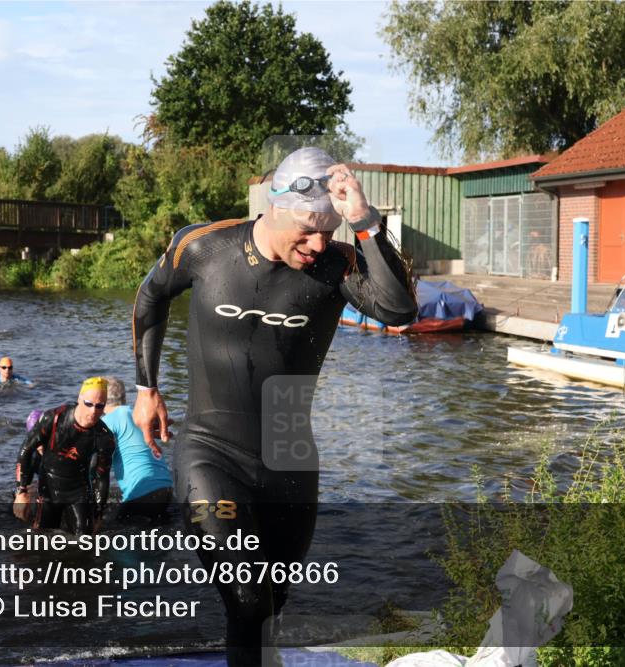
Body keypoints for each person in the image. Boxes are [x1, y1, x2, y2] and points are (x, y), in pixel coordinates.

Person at [131, 146, 417, 665]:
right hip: (209, 452)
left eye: (328, 232)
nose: (316, 244)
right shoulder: (204, 246)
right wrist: (146, 389)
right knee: (246, 597)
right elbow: (151, 297)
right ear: (274, 204)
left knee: (273, 602)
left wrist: (366, 222)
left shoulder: (336, 266)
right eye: (307, 229)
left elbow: (399, 309)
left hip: (290, 455)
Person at [12, 377, 115, 536]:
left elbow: (102, 477)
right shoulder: (54, 418)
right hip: (49, 490)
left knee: (86, 542)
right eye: (89, 404)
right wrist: (21, 491)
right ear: (79, 400)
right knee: (39, 541)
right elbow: (26, 450)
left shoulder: (104, 436)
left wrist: (98, 514)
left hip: (78, 491)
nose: (93, 411)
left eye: (99, 406)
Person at [102, 377, 173, 523]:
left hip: (143, 492)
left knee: (110, 532)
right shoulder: (140, 414)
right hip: (166, 488)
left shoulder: (108, 422)